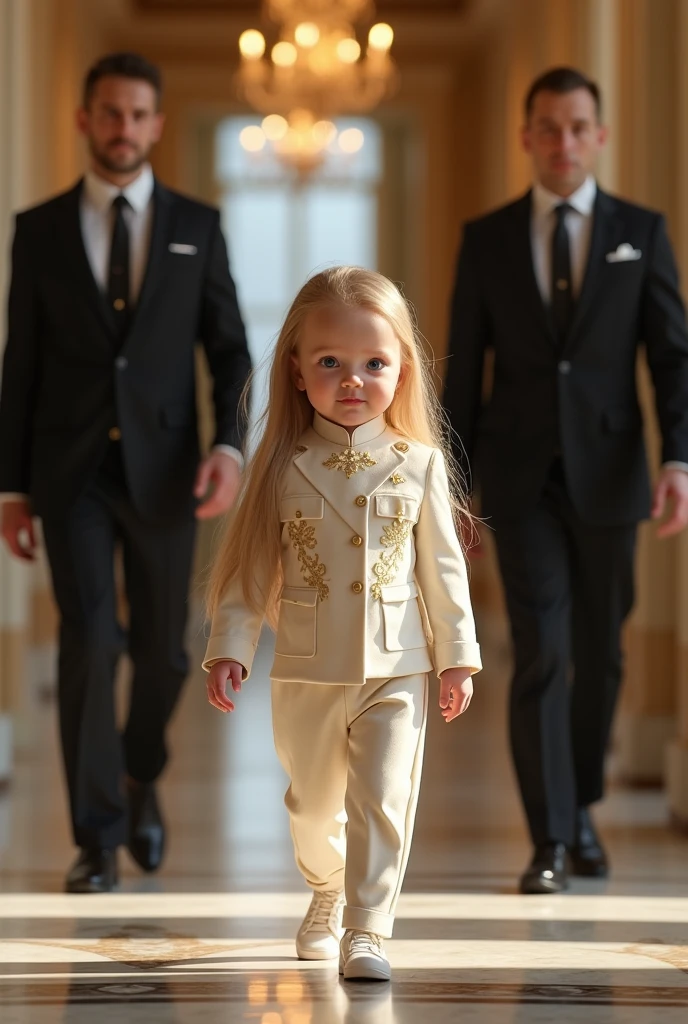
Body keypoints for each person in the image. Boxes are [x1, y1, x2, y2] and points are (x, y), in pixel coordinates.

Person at [0, 52, 252, 893]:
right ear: (84, 119)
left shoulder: (197, 224)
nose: (122, 128)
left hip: (170, 471)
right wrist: (11, 486)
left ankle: (143, 772)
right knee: (89, 644)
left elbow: (229, 350)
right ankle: (96, 836)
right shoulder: (37, 230)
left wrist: (228, 448)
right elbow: (19, 365)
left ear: (157, 123)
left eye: (138, 114)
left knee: (165, 654)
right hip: (68, 475)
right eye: (108, 113)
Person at [443, 66, 688, 895]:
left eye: (578, 127)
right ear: (527, 136)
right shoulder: (488, 238)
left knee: (603, 653)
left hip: (615, 476)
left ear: (600, 136)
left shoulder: (641, 231)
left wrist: (680, 459)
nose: (563, 142)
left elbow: (671, 358)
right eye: (547, 127)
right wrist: (454, 489)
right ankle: (548, 837)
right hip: (517, 481)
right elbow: (462, 373)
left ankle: (580, 804)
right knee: (542, 650)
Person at [204, 266, 481, 981]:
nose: (352, 379)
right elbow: (248, 569)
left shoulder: (419, 465)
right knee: (312, 804)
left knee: (384, 800)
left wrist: (457, 657)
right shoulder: (280, 466)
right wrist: (230, 648)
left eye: (373, 364)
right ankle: (325, 890)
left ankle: (368, 928)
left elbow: (443, 571)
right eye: (330, 362)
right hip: (306, 664)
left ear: (402, 371)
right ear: (297, 372)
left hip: (400, 663)